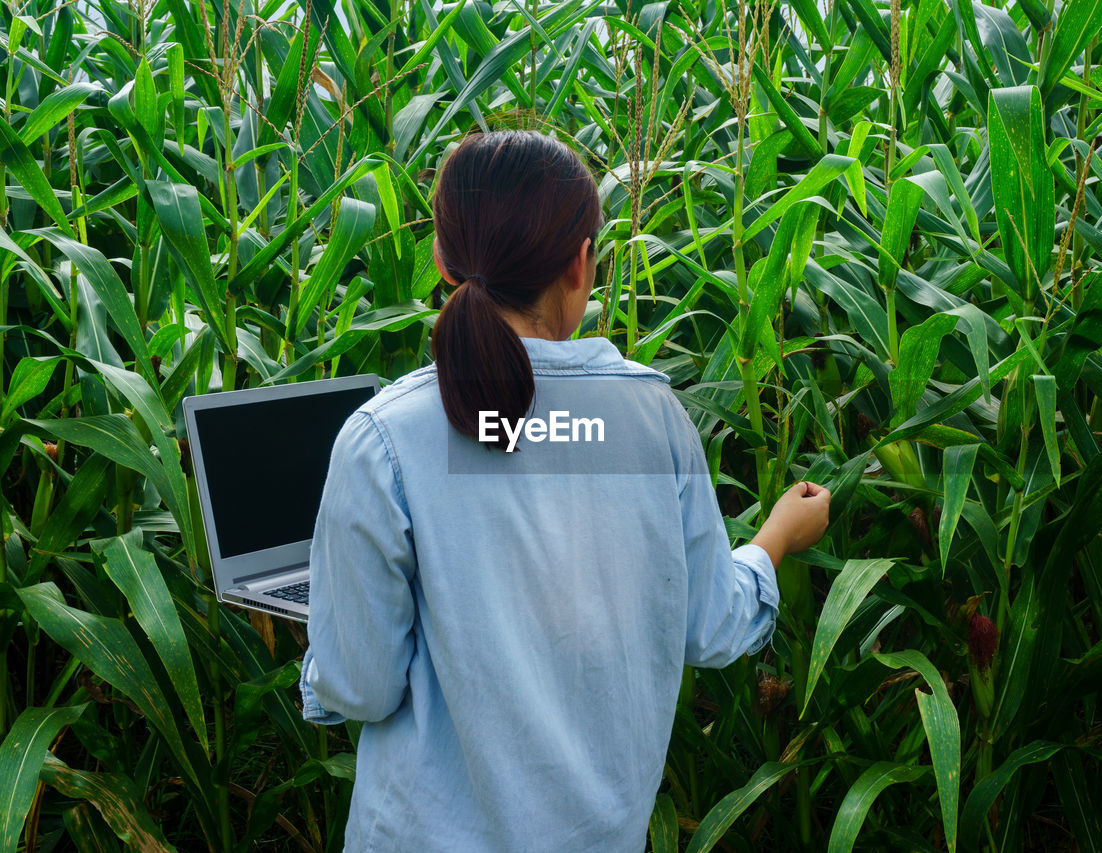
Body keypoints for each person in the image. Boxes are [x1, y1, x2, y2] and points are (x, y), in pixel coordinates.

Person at [298, 129, 831, 852]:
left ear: (442, 260)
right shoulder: (653, 418)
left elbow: (359, 686)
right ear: (581, 264)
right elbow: (711, 624)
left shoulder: (385, 440)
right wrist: (774, 540)